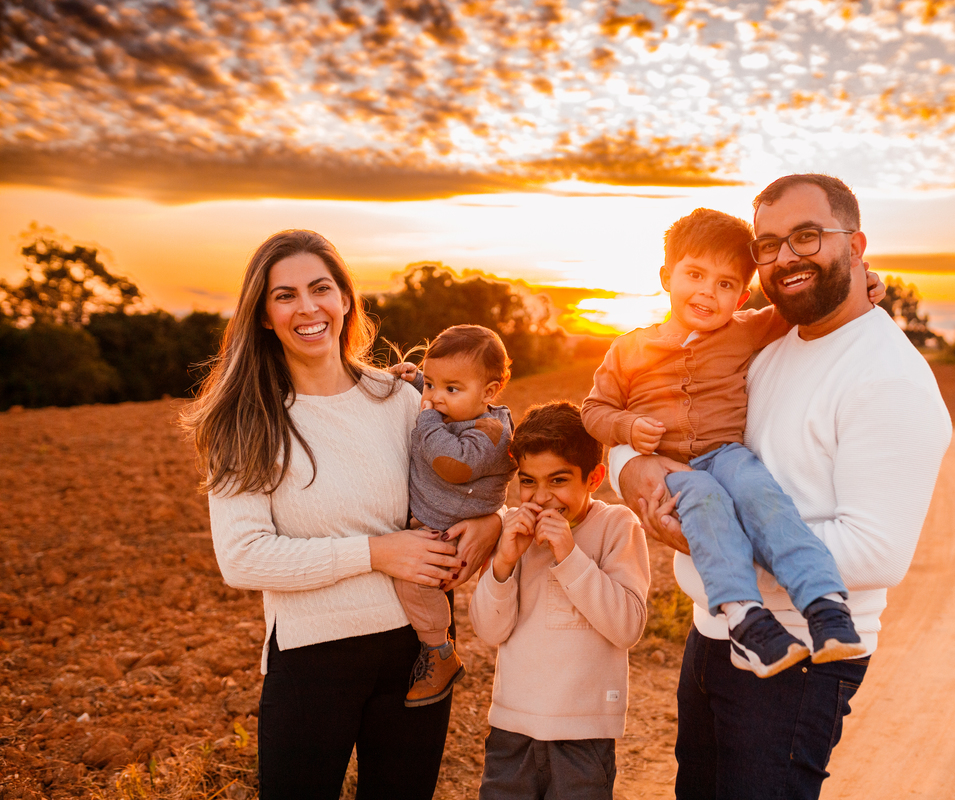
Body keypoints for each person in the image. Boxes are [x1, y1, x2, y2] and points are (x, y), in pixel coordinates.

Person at [612, 175, 953, 799]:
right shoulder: (767, 342)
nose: (785, 257)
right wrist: (627, 466)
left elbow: (877, 552)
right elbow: (656, 410)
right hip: (715, 632)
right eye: (768, 245)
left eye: (806, 237)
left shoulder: (887, 377)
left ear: (856, 245)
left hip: (803, 655)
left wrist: (712, 544)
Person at [180, 229, 501, 800]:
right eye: (285, 295)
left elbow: (483, 467)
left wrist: (491, 523)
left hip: (417, 652)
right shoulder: (246, 421)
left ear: (346, 299)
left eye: (320, 288)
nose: (307, 307)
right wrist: (376, 552)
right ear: (261, 314)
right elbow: (242, 558)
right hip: (311, 657)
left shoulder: (402, 400)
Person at [581, 208, 884, 678]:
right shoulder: (629, 348)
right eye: (695, 274)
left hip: (727, 454)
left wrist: (861, 283)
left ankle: (825, 606)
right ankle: (745, 617)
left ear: (741, 297)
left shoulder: (745, 329)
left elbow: (810, 304)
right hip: (674, 467)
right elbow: (593, 410)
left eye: (725, 284)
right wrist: (626, 427)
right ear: (667, 276)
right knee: (705, 500)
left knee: (764, 498)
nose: (707, 291)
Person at [470, 401, 650, 800]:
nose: (541, 497)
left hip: (583, 735)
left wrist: (569, 557)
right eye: (529, 481)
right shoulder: (511, 532)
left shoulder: (617, 527)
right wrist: (503, 561)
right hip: (511, 732)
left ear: (594, 478)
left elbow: (627, 627)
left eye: (558, 480)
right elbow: (488, 629)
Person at [393, 324, 517, 708]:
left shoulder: (492, 429)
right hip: (435, 521)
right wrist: (415, 379)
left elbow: (455, 465)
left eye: (451, 388)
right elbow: (438, 396)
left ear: (490, 392)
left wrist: (426, 419)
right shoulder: (455, 405)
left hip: (450, 534)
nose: (435, 398)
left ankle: (439, 652)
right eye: (432, 384)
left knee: (414, 581)